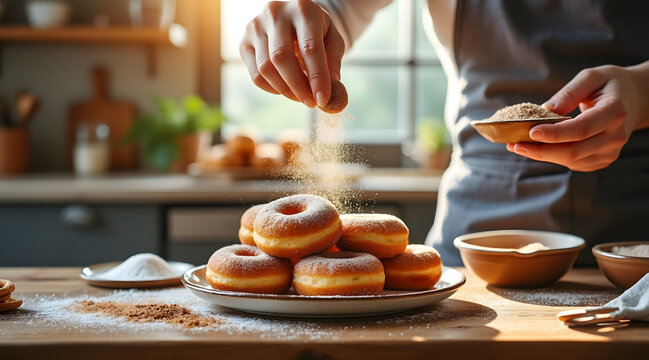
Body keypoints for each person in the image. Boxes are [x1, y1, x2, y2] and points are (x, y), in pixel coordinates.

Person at [240, 0, 649, 265]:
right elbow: (338, 8)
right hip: (475, 230)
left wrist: (641, 92)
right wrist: (303, 18)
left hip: (634, 232)